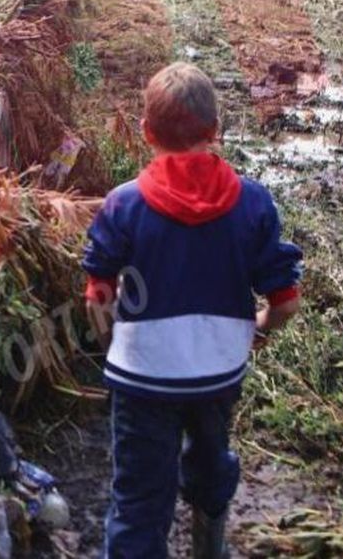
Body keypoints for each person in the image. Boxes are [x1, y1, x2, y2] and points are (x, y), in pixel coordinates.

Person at [82, 63, 303, 559]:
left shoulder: (123, 205)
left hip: (142, 380)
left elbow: (97, 297)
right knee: (210, 459)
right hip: (219, 374)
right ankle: (211, 545)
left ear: (146, 133)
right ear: (215, 131)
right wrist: (256, 334)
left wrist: (112, 350)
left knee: (139, 502)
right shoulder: (253, 203)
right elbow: (286, 302)